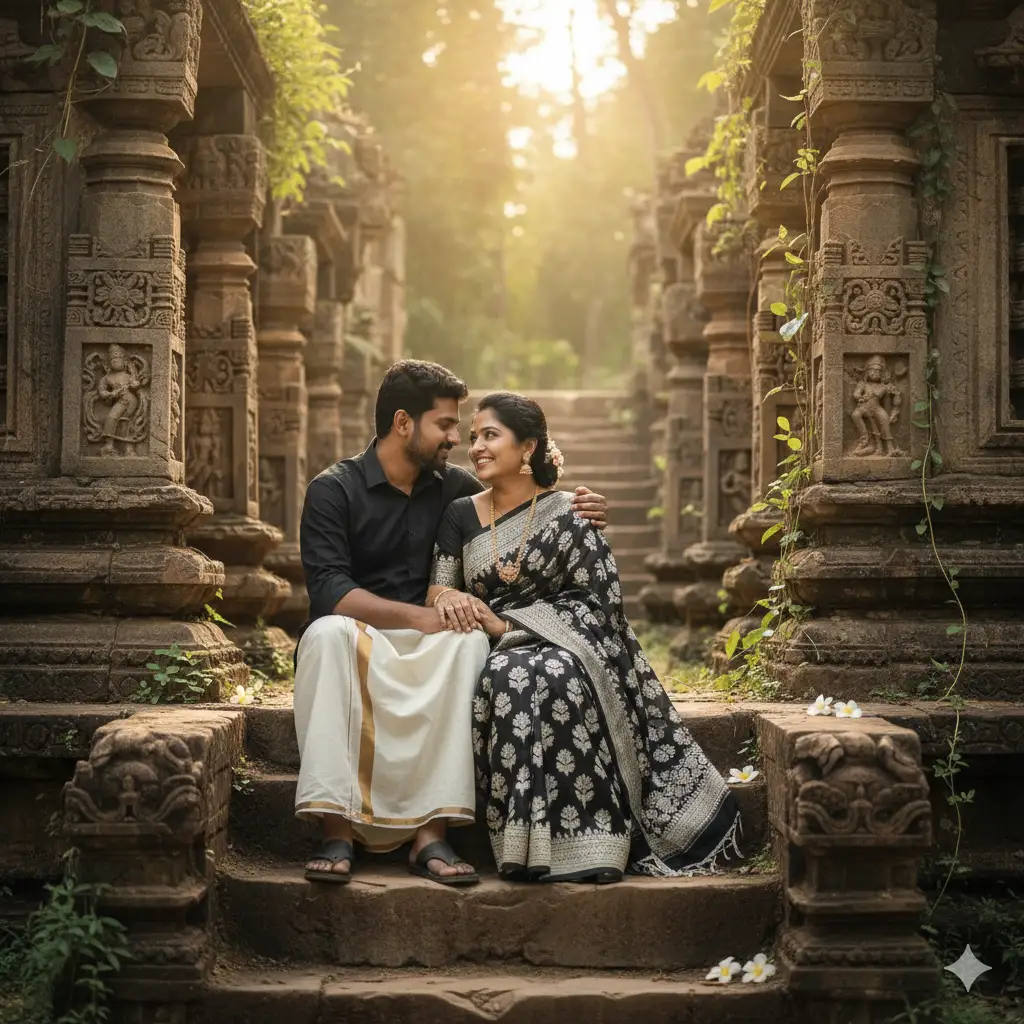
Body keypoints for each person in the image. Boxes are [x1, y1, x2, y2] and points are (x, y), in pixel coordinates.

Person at [293, 361, 608, 886]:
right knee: (325, 634)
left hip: (434, 642)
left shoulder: (453, 488)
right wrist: (426, 615)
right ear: (402, 424)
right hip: (357, 634)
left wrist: (580, 504)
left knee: (468, 646)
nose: (457, 439)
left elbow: (519, 493)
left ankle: (431, 832)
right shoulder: (333, 490)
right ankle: (336, 828)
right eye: (445, 425)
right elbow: (330, 592)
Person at [427, 391, 741, 883]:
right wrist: (451, 601)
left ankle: (595, 844)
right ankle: (521, 845)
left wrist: (512, 624)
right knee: (509, 675)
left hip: (565, 642)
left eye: (490, 435)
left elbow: (599, 602)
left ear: (527, 446)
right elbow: (440, 586)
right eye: (473, 438)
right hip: (486, 645)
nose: (477, 447)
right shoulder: (460, 513)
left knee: (554, 673)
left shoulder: (571, 511)